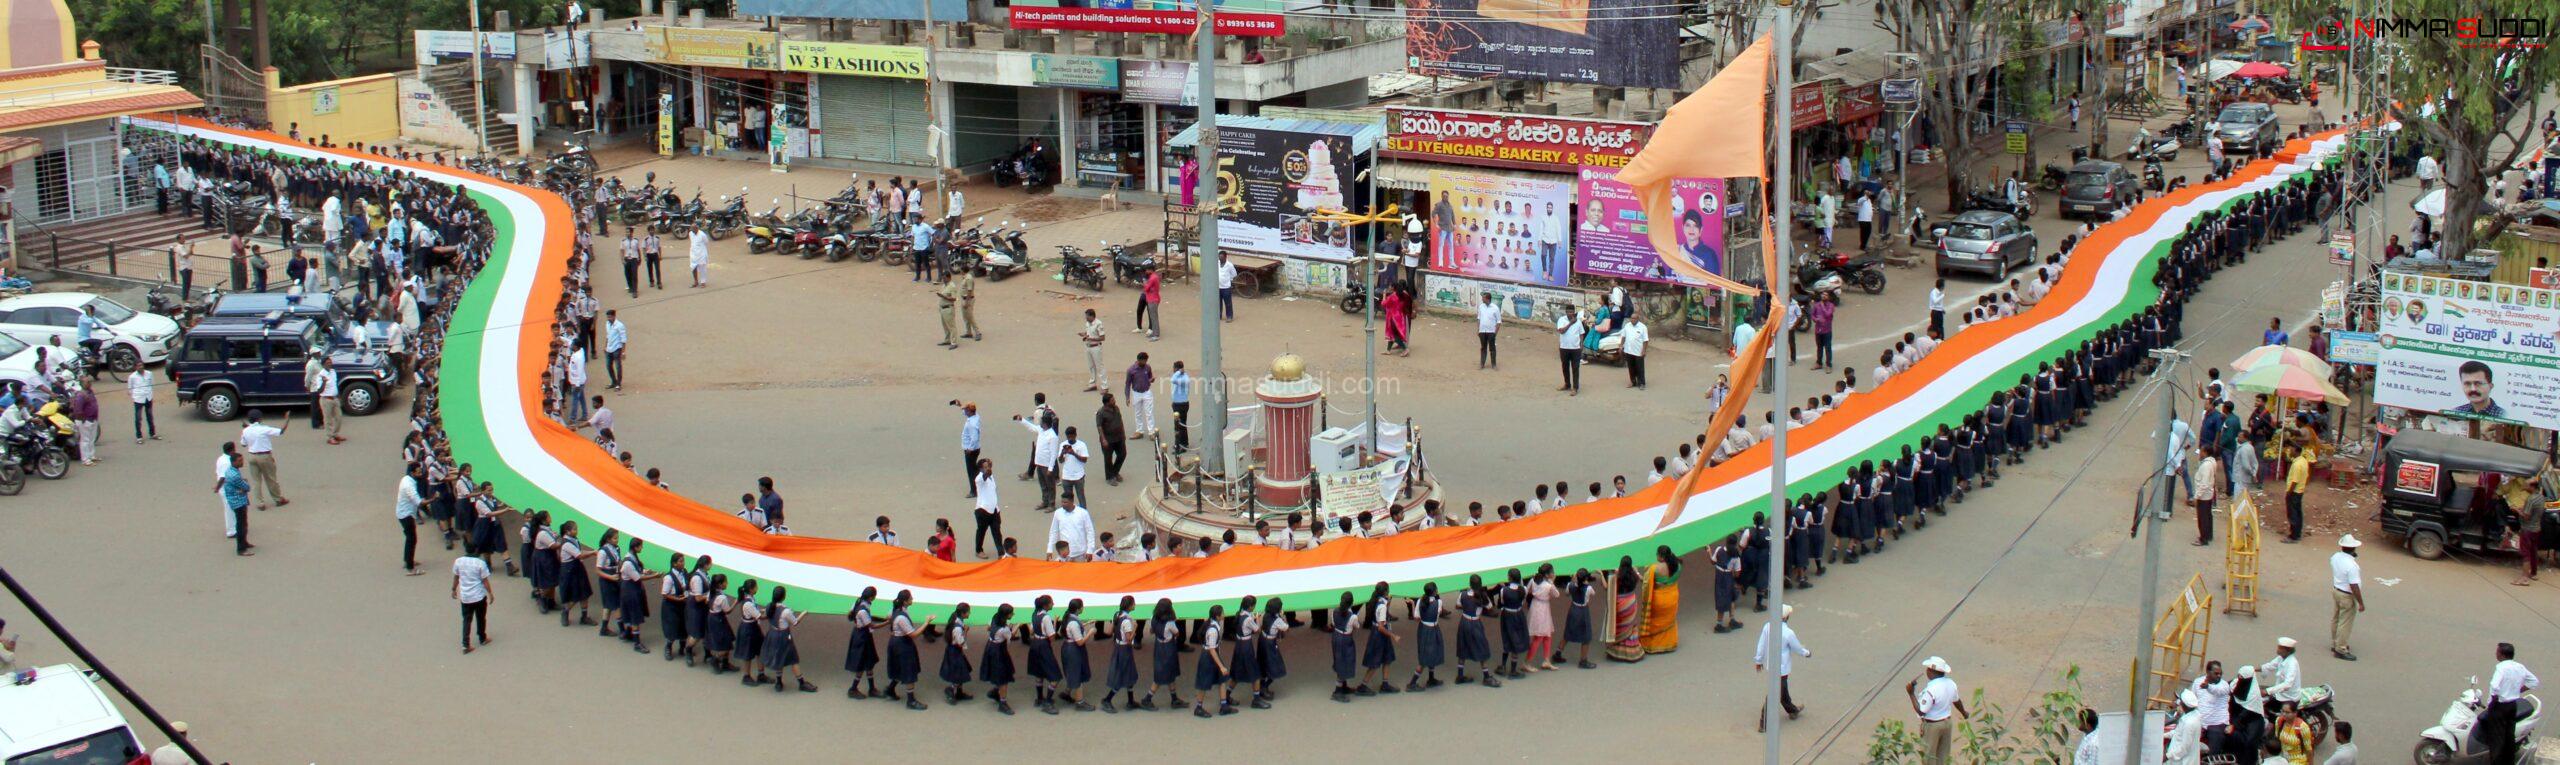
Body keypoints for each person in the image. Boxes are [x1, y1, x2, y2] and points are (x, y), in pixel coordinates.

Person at [1754, 604, 1811, 731]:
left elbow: (1761, 645)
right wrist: (1807, 653)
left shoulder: (1767, 627)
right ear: (1786, 617)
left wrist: (1758, 660)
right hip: (1782, 668)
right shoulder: (1788, 633)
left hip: (1771, 666)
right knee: (1775, 694)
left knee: (1782, 690)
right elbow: (1797, 648)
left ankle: (1792, 709)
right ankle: (1763, 722)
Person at [2484, 642, 2537, 765]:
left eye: (2497, 652)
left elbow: (2494, 686)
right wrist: (2518, 690)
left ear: (2501, 655)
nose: (2495, 654)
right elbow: (2534, 682)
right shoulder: (2520, 667)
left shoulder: (2501, 667)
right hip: (2512, 706)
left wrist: (2494, 699)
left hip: (2499, 706)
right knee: (2509, 737)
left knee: (2497, 739)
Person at [1910, 656, 1971, 765]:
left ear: (1931, 671)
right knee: (1943, 757)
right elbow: (1956, 701)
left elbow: (1921, 711)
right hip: (1947, 723)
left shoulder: (1930, 690)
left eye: (1928, 669)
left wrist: (1911, 693)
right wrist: (1964, 712)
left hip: (1932, 726)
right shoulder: (1951, 684)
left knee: (1928, 758)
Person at [237, 411, 289, 509]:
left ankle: (260, 503)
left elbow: (243, 444)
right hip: (264, 456)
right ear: (259, 419)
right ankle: (277, 499)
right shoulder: (264, 429)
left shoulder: (246, 430)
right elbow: (281, 431)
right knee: (271, 479)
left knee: (256, 481)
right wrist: (287, 420)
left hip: (252, 456)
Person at [1641, 545, 1681, 654]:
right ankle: (1669, 643)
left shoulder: (1654, 568)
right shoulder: (1678, 565)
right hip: (1672, 597)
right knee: (1669, 620)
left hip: (1660, 600)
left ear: (1661, 557)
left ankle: (1653, 645)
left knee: (1655, 620)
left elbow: (1646, 583)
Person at [2331, 534, 2364, 660]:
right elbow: (2354, 585)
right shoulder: (2352, 566)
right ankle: (2341, 648)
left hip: (2336, 590)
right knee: (2345, 623)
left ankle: (2335, 643)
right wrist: (2361, 603)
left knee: (2336, 618)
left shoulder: (2335, 557)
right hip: (2346, 595)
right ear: (2354, 548)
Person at [453, 549, 493, 652]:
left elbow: (456, 577)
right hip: (479, 596)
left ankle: (465, 644)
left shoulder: (458, 561)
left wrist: (453, 589)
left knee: (467, 619)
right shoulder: (480, 563)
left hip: (466, 597)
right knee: (481, 617)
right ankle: (482, 638)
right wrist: (490, 593)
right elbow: (485, 580)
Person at [218, 450, 253, 556]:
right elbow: (246, 487)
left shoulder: (230, 471)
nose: (242, 462)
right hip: (238, 501)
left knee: (243, 523)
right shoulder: (235, 475)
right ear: (233, 462)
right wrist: (244, 486)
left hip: (235, 499)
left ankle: (244, 543)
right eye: (239, 461)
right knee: (241, 525)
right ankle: (241, 548)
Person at [2192, 445, 2222, 546]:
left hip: (2204, 495)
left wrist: (2197, 496)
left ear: (2205, 452)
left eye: (2201, 451)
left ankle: (2203, 538)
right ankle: (2208, 534)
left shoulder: (2206, 466)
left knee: (2203, 517)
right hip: (2208, 493)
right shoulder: (2212, 462)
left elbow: (2204, 483)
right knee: (2208, 515)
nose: (2199, 454)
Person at [1556, 309, 1585, 395]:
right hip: (1564, 347)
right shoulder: (1561, 320)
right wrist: (1570, 323)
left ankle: (1575, 388)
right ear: (1565, 312)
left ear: (1574, 312)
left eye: (1572, 312)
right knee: (1565, 367)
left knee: (1575, 368)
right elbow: (1561, 331)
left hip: (1575, 348)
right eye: (1568, 312)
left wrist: (1581, 344)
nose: (1570, 313)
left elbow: (1581, 334)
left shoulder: (1579, 322)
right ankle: (1567, 384)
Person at [1079, 309, 1106, 391]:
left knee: (1099, 367)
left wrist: (1091, 338)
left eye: (1087, 316)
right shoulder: (1087, 323)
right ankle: (1092, 384)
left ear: (1092, 316)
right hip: (1088, 346)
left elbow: (1102, 338)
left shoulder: (1099, 324)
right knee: (1091, 366)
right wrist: (1084, 335)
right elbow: (1088, 333)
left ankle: (1105, 386)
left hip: (1096, 347)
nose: (1086, 318)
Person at [601, 310, 626, 391]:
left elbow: (623, 339)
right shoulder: (607, 324)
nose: (608, 318)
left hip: (617, 348)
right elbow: (608, 336)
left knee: (618, 366)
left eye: (610, 317)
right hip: (609, 348)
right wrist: (605, 346)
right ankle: (613, 381)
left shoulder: (620, 325)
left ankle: (618, 384)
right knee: (608, 366)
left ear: (614, 316)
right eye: (608, 317)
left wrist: (623, 352)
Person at [1475, 292, 1500, 370]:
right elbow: (1479, 318)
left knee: (1492, 349)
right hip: (1482, 331)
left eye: (1483, 298)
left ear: (1487, 299)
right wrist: (1478, 329)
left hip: (1491, 331)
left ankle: (1494, 365)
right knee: (1483, 348)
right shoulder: (1481, 307)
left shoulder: (1495, 308)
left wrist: (1495, 333)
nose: (1482, 299)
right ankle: (1482, 364)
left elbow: (1499, 322)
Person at [1624, 316, 1650, 389]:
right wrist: (1620, 345)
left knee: (1640, 368)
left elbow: (1646, 340)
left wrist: (1644, 350)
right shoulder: (1627, 326)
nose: (1632, 319)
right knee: (1631, 367)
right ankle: (1633, 381)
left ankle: (1641, 383)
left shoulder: (1643, 327)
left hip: (1638, 351)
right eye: (1631, 318)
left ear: (1638, 319)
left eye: (1634, 318)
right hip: (1628, 350)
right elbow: (1623, 336)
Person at [1216, 254, 1237, 321]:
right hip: (1218, 287)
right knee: (1218, 303)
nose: (1220, 259)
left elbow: (1234, 274)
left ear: (1225, 257)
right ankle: (1218, 315)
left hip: (1226, 288)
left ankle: (1229, 316)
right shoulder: (1217, 263)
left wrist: (1229, 279)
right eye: (1219, 257)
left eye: (1221, 258)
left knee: (1228, 303)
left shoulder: (1229, 265)